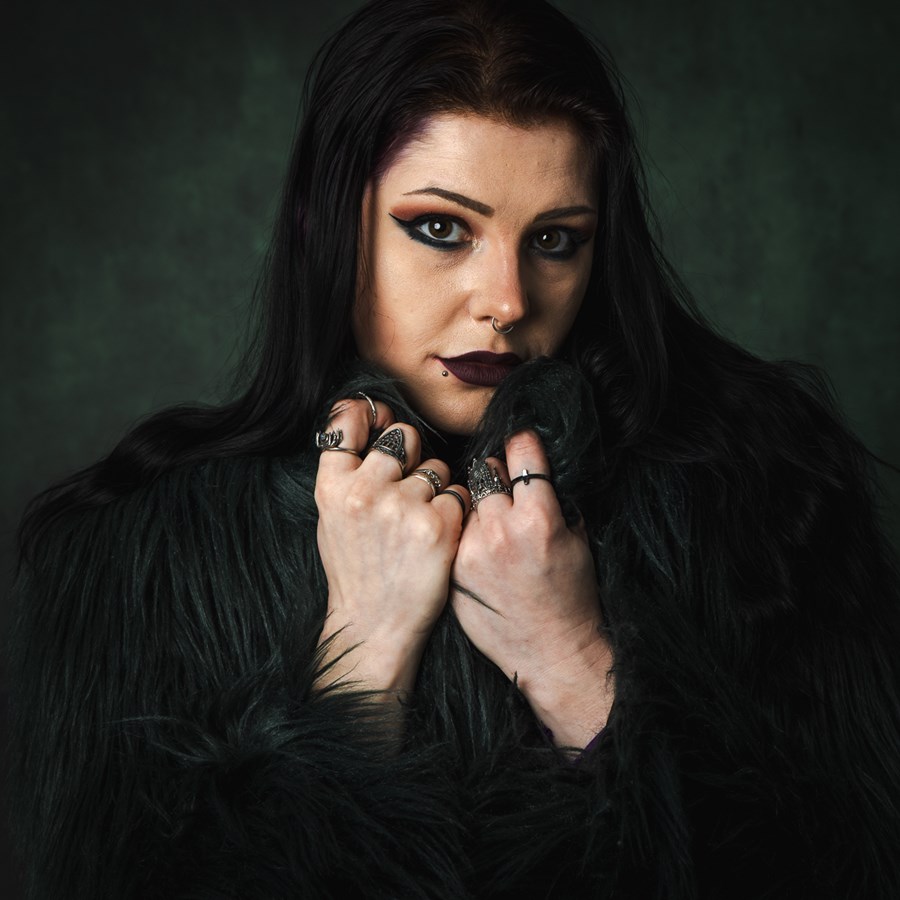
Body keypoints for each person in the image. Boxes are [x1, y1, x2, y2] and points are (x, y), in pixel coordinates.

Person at [8, 0, 900, 897]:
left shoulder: (763, 495)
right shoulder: (141, 556)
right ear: (331, 223)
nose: (507, 300)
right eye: (441, 227)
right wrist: (363, 651)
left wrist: (570, 661)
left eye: (554, 240)